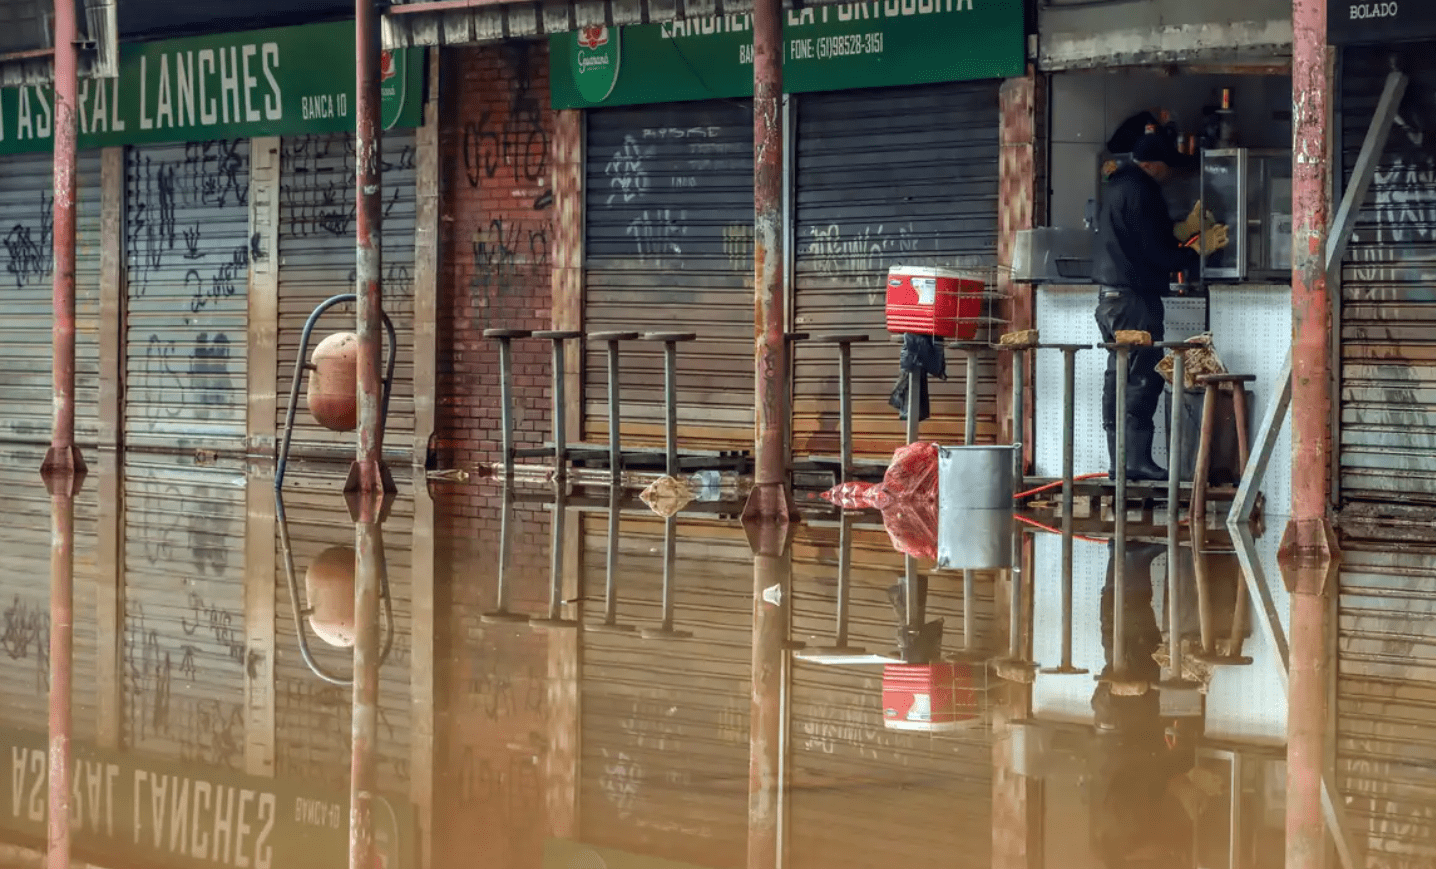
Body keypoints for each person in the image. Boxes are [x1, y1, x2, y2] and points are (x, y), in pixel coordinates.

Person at [1091, 131, 1228, 480]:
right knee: (1140, 378)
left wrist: (1181, 231)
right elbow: (1154, 251)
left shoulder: (1119, 186)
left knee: (1119, 376)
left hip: (1111, 300)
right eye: (1166, 167)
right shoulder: (1142, 189)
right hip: (1135, 300)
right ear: (1151, 164)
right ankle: (1134, 462)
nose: (1169, 175)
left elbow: (1142, 236)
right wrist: (1192, 252)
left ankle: (1120, 463)